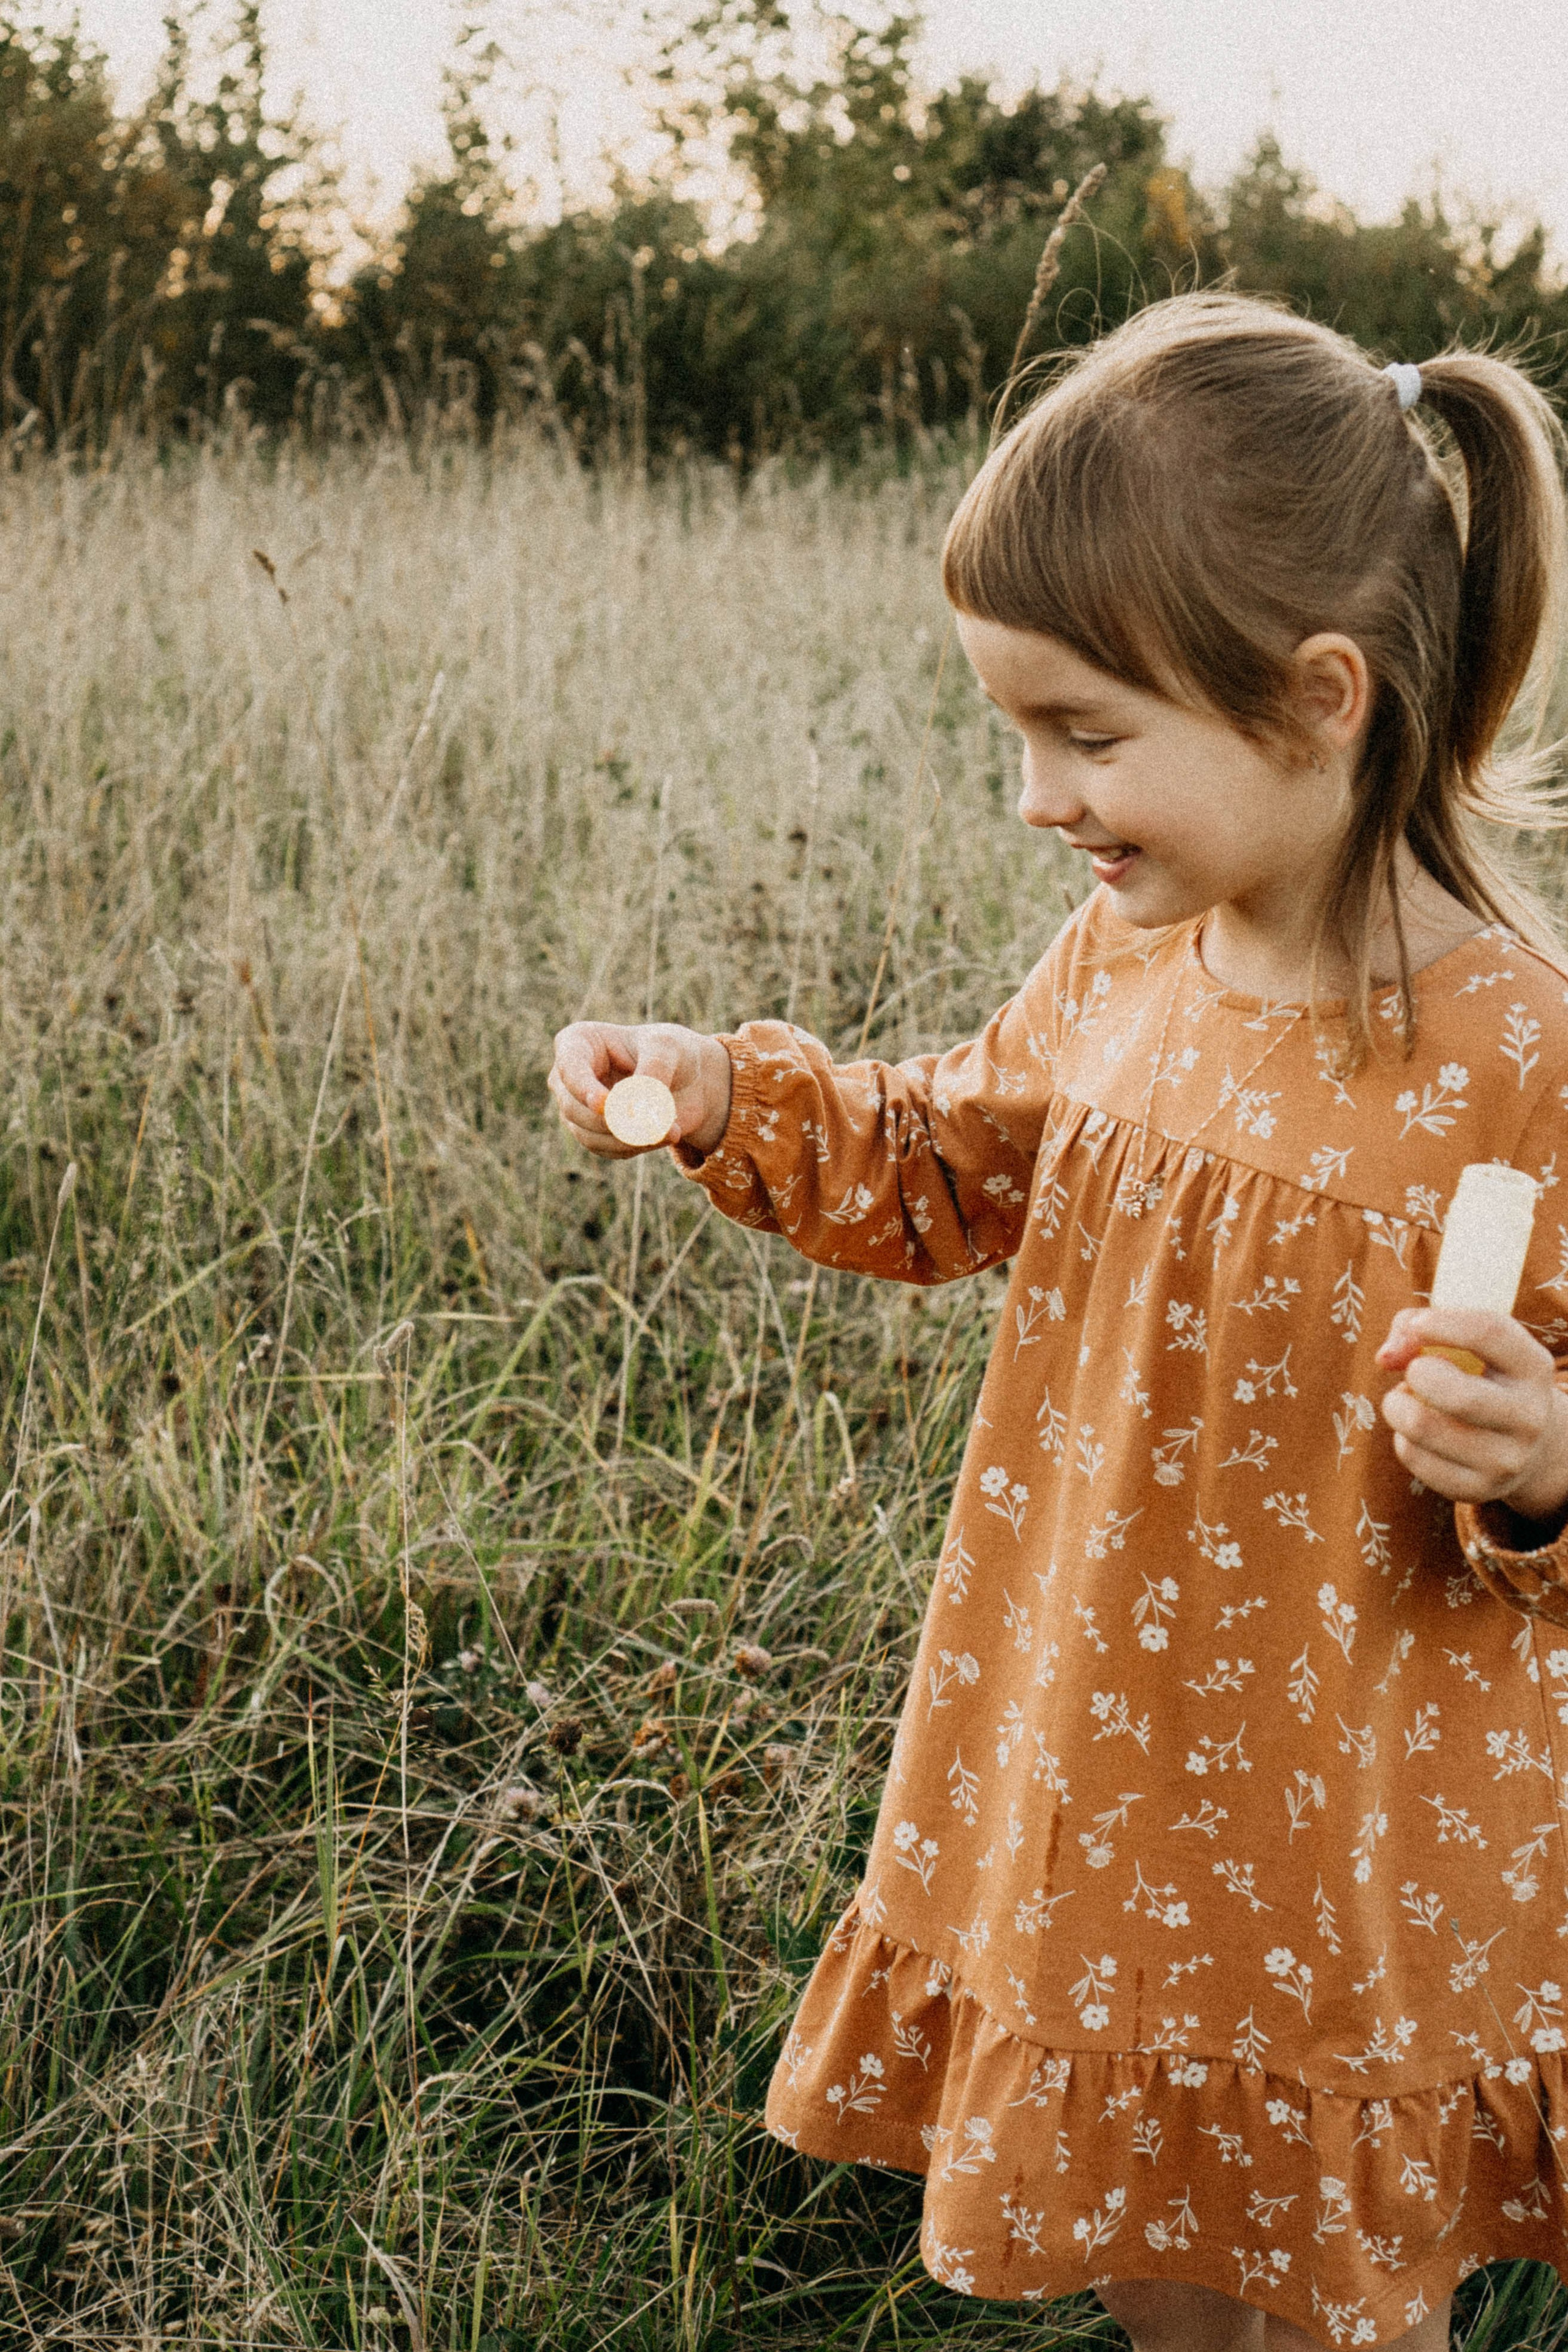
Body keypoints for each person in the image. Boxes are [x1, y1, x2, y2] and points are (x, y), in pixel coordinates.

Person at [548, 291, 1568, 2350]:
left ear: (1320, 698)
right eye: (1018, 732)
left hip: (1340, 1838)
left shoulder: (1519, 1058)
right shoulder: (1128, 968)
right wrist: (743, 1096)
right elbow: (949, 1165)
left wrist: (1546, 1468)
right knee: (1156, 2269)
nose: (1039, 798)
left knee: (1326, 2292)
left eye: (1089, 736)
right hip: (1095, 1791)